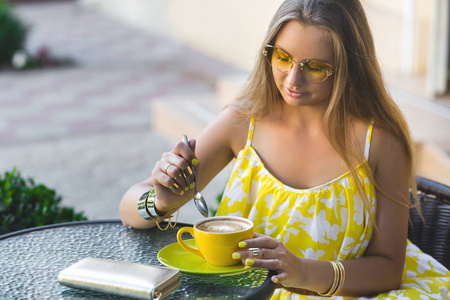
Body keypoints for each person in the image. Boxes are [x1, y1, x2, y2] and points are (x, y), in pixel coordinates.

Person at [120, 0, 450, 298]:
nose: (293, 79)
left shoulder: (380, 142)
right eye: (283, 57)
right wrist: (160, 201)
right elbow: (128, 210)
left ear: (349, 66)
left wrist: (303, 271)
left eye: (315, 67)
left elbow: (389, 269)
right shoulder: (243, 122)